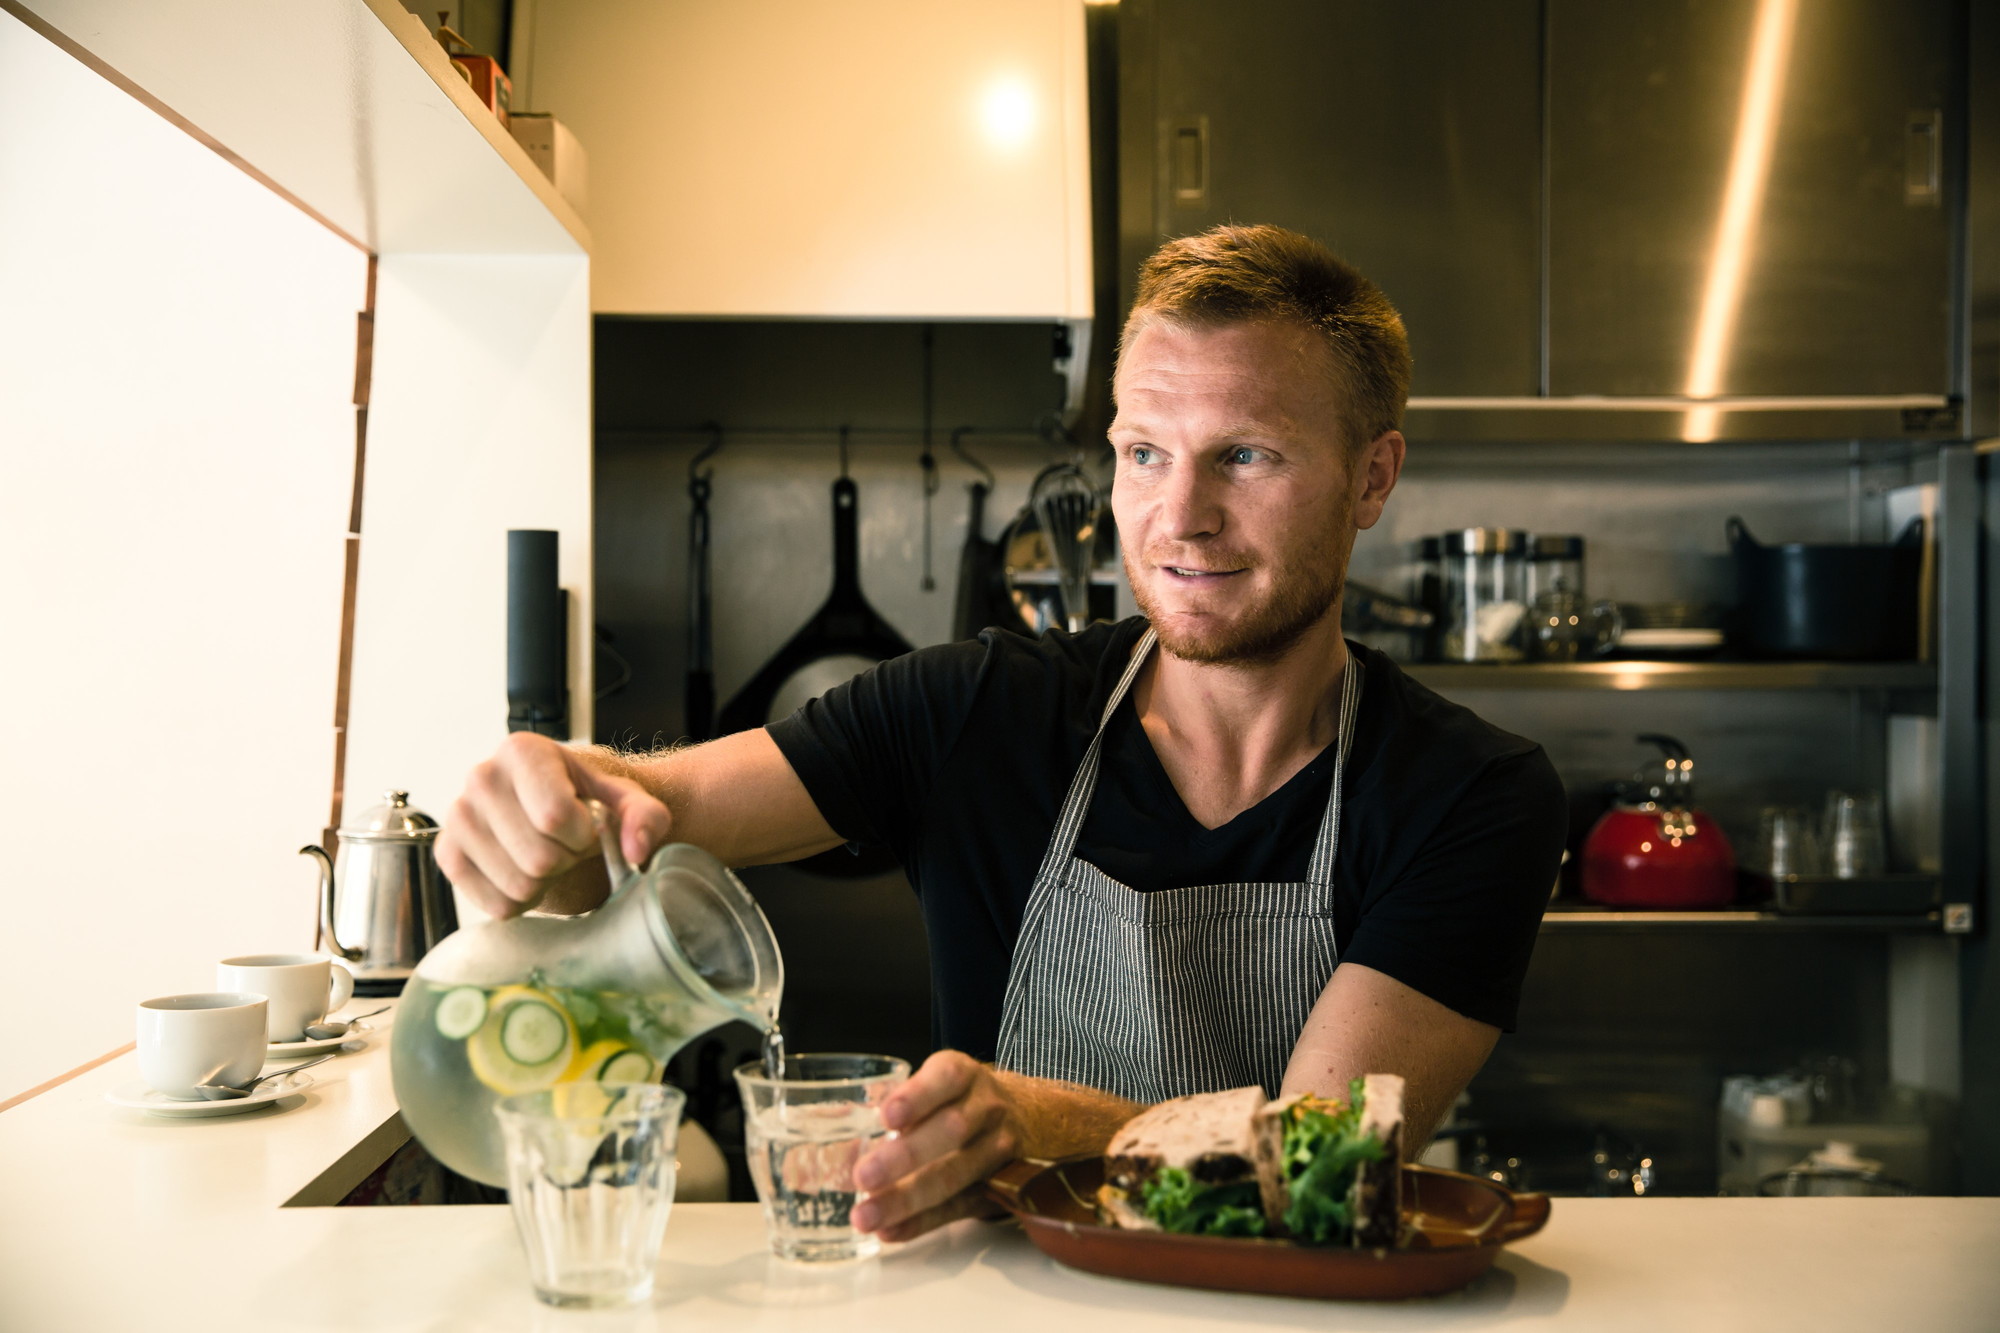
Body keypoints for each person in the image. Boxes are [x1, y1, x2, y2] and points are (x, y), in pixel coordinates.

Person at [436, 224, 1566, 1242]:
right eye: (1143, 453)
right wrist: (554, 799)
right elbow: (650, 815)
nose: (1179, 517)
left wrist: (1046, 1120)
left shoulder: (1469, 795)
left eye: (1246, 455)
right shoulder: (978, 709)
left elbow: (1322, 1176)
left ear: (1371, 476)